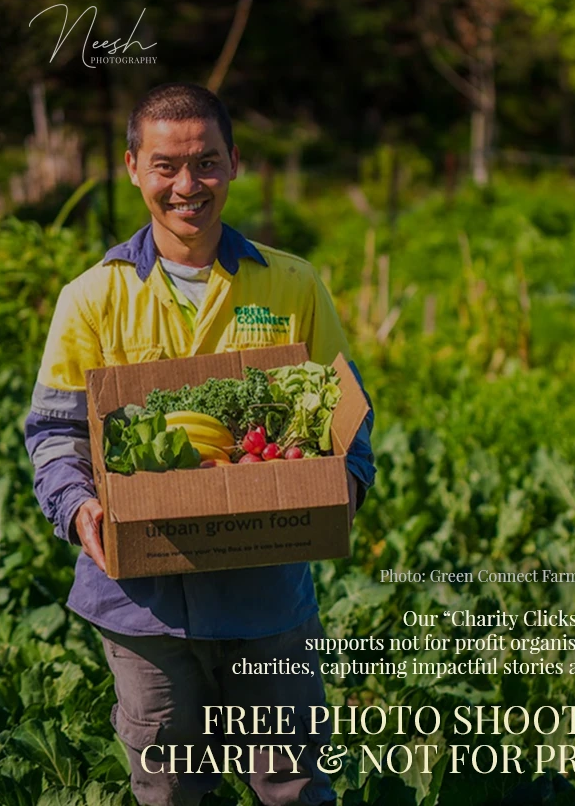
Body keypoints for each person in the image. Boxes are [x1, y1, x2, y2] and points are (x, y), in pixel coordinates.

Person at [24, 83, 375, 806]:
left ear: (235, 164)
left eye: (206, 163)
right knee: (173, 792)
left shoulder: (290, 284)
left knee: (295, 786)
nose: (187, 186)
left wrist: (346, 482)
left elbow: (348, 418)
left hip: (267, 595)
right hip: (142, 604)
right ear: (131, 168)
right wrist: (79, 506)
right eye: (165, 166)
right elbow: (56, 431)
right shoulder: (92, 296)